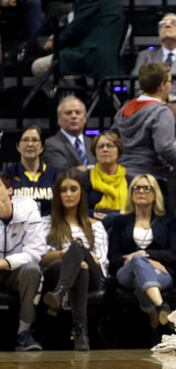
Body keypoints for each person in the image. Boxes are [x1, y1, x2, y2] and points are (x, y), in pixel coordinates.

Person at [40, 169, 108, 350]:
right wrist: (68, 256)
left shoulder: (96, 226)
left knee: (78, 249)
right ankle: (81, 331)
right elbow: (41, 258)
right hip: (56, 273)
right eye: (63, 190)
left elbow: (102, 262)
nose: (68, 194)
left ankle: (60, 293)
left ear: (82, 193)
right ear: (57, 194)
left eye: (73, 189)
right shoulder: (46, 223)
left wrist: (78, 253)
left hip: (94, 277)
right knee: (80, 268)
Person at [108, 174, 176, 328]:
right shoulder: (120, 222)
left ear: (155, 194)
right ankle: (161, 306)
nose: (141, 191)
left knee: (139, 277)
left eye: (146, 188)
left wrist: (146, 255)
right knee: (137, 261)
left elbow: (174, 254)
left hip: (161, 273)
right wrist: (139, 259)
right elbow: (113, 257)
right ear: (131, 193)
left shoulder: (168, 221)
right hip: (125, 272)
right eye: (137, 188)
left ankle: (152, 313)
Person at [111, 62, 176, 181]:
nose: (171, 85)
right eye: (170, 82)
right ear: (162, 85)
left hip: (121, 175)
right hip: (149, 179)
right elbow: (164, 148)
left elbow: (113, 138)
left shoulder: (125, 108)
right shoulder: (162, 112)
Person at [0, 172, 45, 351]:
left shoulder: (28, 207)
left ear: (10, 191)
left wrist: (5, 263)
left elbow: (35, 251)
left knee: (32, 269)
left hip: (15, 271)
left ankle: (24, 333)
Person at [30, 0, 124, 80]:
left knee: (38, 67)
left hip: (90, 56)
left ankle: (69, 99)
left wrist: (55, 42)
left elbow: (78, 27)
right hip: (104, 57)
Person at [4, 124, 58, 217]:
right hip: (17, 228)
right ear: (18, 146)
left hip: (49, 227)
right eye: (25, 140)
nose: (30, 144)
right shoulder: (7, 174)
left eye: (35, 140)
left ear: (42, 147)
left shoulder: (56, 174)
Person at [81, 132, 130, 221]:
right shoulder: (84, 179)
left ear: (118, 151)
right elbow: (77, 209)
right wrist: (92, 214)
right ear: (94, 152)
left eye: (109, 146)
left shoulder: (130, 181)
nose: (105, 149)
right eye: (100, 146)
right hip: (94, 225)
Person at [43, 95, 95, 172]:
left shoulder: (93, 143)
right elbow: (60, 173)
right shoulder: (50, 144)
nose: (74, 116)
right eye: (68, 113)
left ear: (84, 119)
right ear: (59, 120)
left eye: (78, 112)